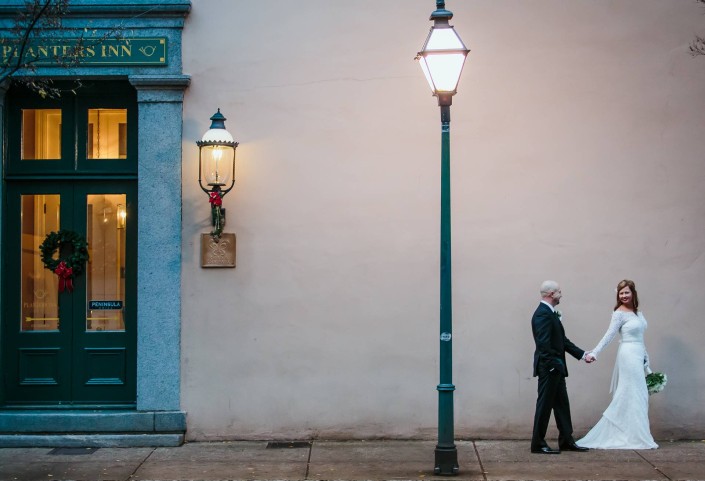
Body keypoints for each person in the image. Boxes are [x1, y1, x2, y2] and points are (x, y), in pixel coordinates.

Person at [577, 279, 658, 449]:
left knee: (640, 394)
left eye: (626, 292)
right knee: (631, 392)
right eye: (621, 293)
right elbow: (609, 335)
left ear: (633, 293)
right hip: (628, 355)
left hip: (638, 353)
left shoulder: (638, 313)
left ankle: (636, 434)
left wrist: (646, 358)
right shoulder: (619, 313)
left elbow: (640, 338)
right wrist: (595, 352)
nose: (623, 296)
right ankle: (631, 435)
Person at [531, 280, 593, 454]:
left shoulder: (550, 313)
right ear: (551, 294)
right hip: (550, 368)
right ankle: (538, 443)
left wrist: (582, 355)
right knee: (544, 406)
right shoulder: (542, 314)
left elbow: (562, 341)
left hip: (557, 368)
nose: (561, 294)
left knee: (562, 405)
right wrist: (552, 366)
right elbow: (543, 345)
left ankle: (566, 440)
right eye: (559, 291)